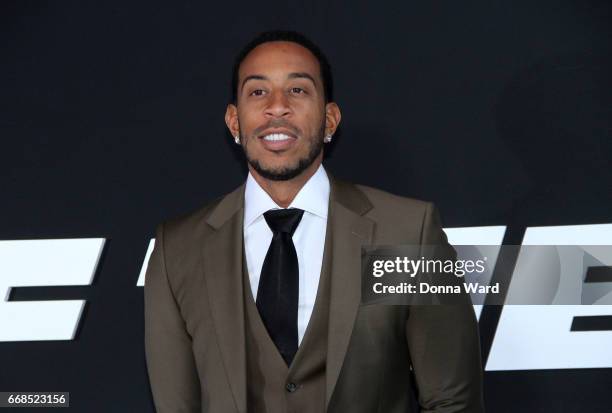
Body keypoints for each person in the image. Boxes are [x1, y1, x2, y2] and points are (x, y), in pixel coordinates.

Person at [144, 30, 484, 413]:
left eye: (298, 91)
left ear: (330, 119)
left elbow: (453, 401)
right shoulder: (178, 249)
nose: (277, 107)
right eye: (258, 92)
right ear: (233, 121)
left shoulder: (408, 232)